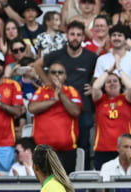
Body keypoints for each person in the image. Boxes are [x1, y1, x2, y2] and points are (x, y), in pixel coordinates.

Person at [34, 21, 98, 170]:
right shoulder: (57, 54)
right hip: (60, 106)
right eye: (72, 34)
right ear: (67, 36)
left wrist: (94, 84)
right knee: (63, 143)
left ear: (83, 37)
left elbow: (101, 71)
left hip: (82, 105)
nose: (75, 38)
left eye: (78, 35)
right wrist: (47, 83)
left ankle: (84, 176)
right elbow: (37, 65)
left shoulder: (91, 57)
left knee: (84, 144)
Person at [29, 63, 83, 175]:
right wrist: (53, 100)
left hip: (66, 151)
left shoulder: (71, 91)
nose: (57, 75)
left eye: (60, 72)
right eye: (53, 72)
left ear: (65, 76)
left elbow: (75, 111)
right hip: (43, 150)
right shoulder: (42, 91)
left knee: (64, 185)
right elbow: (32, 108)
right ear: (48, 76)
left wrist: (61, 93)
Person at [91, 58, 131, 169]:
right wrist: (108, 71)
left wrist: (119, 70)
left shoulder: (127, 99)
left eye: (115, 81)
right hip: (103, 148)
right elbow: (95, 86)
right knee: (103, 182)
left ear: (120, 85)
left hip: (125, 148)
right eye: (108, 82)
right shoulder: (100, 100)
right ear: (104, 86)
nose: (112, 83)